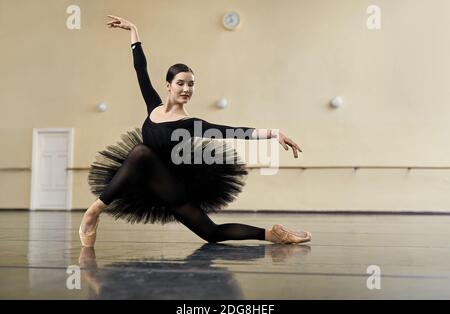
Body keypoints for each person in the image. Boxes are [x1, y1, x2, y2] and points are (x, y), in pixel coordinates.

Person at [79, 15, 311, 247]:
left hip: (174, 188)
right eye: (181, 83)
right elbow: (141, 69)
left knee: (140, 151)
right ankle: (274, 234)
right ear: (168, 85)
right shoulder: (153, 106)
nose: (186, 88)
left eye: (191, 84)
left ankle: (93, 212)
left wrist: (272, 133)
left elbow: (234, 132)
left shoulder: (190, 124)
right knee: (212, 233)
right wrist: (133, 31)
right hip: (152, 187)